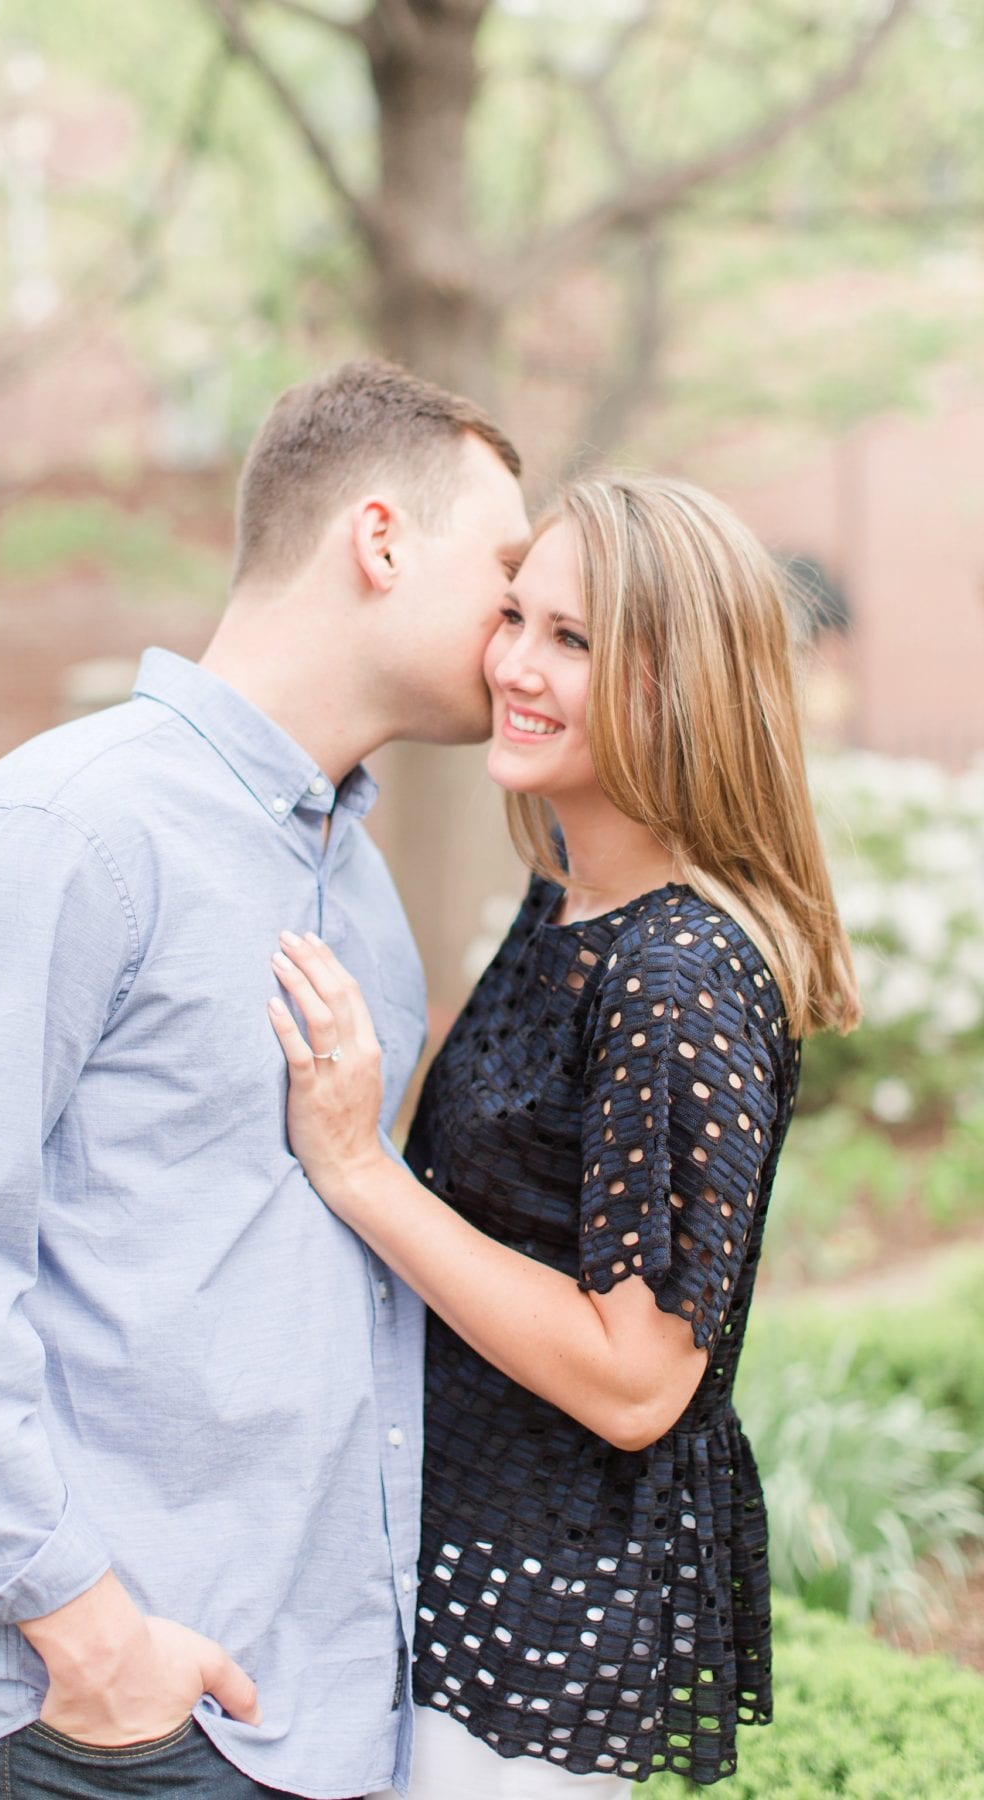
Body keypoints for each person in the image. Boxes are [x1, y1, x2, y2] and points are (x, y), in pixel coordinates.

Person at [0, 360, 532, 1800]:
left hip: (306, 1715)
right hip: (98, 1725)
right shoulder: (68, 828)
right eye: (506, 574)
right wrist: (84, 1628)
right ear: (380, 541)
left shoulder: (357, 888)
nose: (522, 629)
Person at [267, 473, 860, 1798]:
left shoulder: (677, 978)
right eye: (517, 616)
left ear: (679, 684)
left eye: (574, 639)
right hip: (455, 1583)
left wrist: (360, 1166)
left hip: (541, 1635)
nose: (517, 666)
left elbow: (637, 1379)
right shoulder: (571, 903)